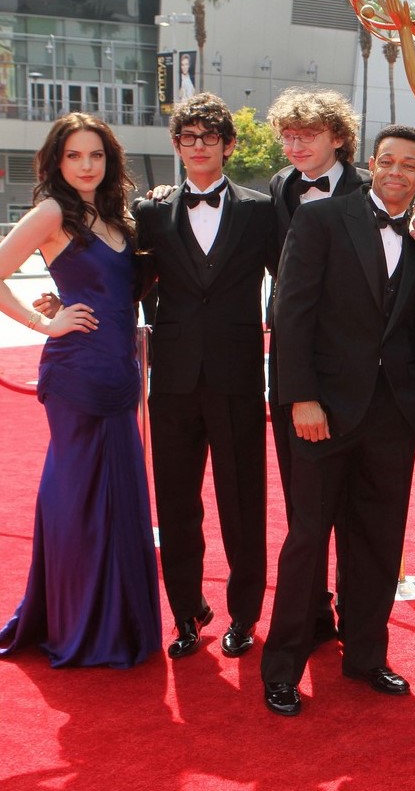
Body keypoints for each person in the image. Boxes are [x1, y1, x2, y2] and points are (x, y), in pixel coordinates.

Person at [260, 125, 415, 716]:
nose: (395, 172)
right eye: (387, 160)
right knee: (307, 539)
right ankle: (281, 668)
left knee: (378, 542)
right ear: (371, 163)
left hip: (391, 416)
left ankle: (365, 655)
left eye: (409, 166)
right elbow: (291, 312)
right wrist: (300, 398)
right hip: (322, 412)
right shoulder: (321, 220)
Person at [0, 113, 160, 667]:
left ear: (109, 159)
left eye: (95, 155)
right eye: (74, 156)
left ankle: (118, 618)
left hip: (120, 371)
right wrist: (44, 323)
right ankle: (73, 620)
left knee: (118, 494)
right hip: (76, 373)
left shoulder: (118, 215)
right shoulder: (51, 212)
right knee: (76, 496)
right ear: (57, 161)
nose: (86, 165)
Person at [132, 93, 276, 661]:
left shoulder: (261, 210)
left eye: (209, 138)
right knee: (176, 503)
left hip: (239, 376)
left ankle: (244, 615)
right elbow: (132, 284)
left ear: (228, 146)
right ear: (176, 146)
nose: (198, 147)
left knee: (243, 503)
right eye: (188, 138)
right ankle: (186, 612)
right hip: (171, 381)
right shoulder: (150, 212)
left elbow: (290, 281)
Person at [264, 88, 371, 645]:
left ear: (338, 137)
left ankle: (358, 621)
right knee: (305, 505)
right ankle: (312, 615)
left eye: (307, 134)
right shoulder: (282, 185)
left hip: (356, 364)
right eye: (288, 135)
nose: (295, 144)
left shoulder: (369, 189)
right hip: (292, 360)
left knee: (358, 508)